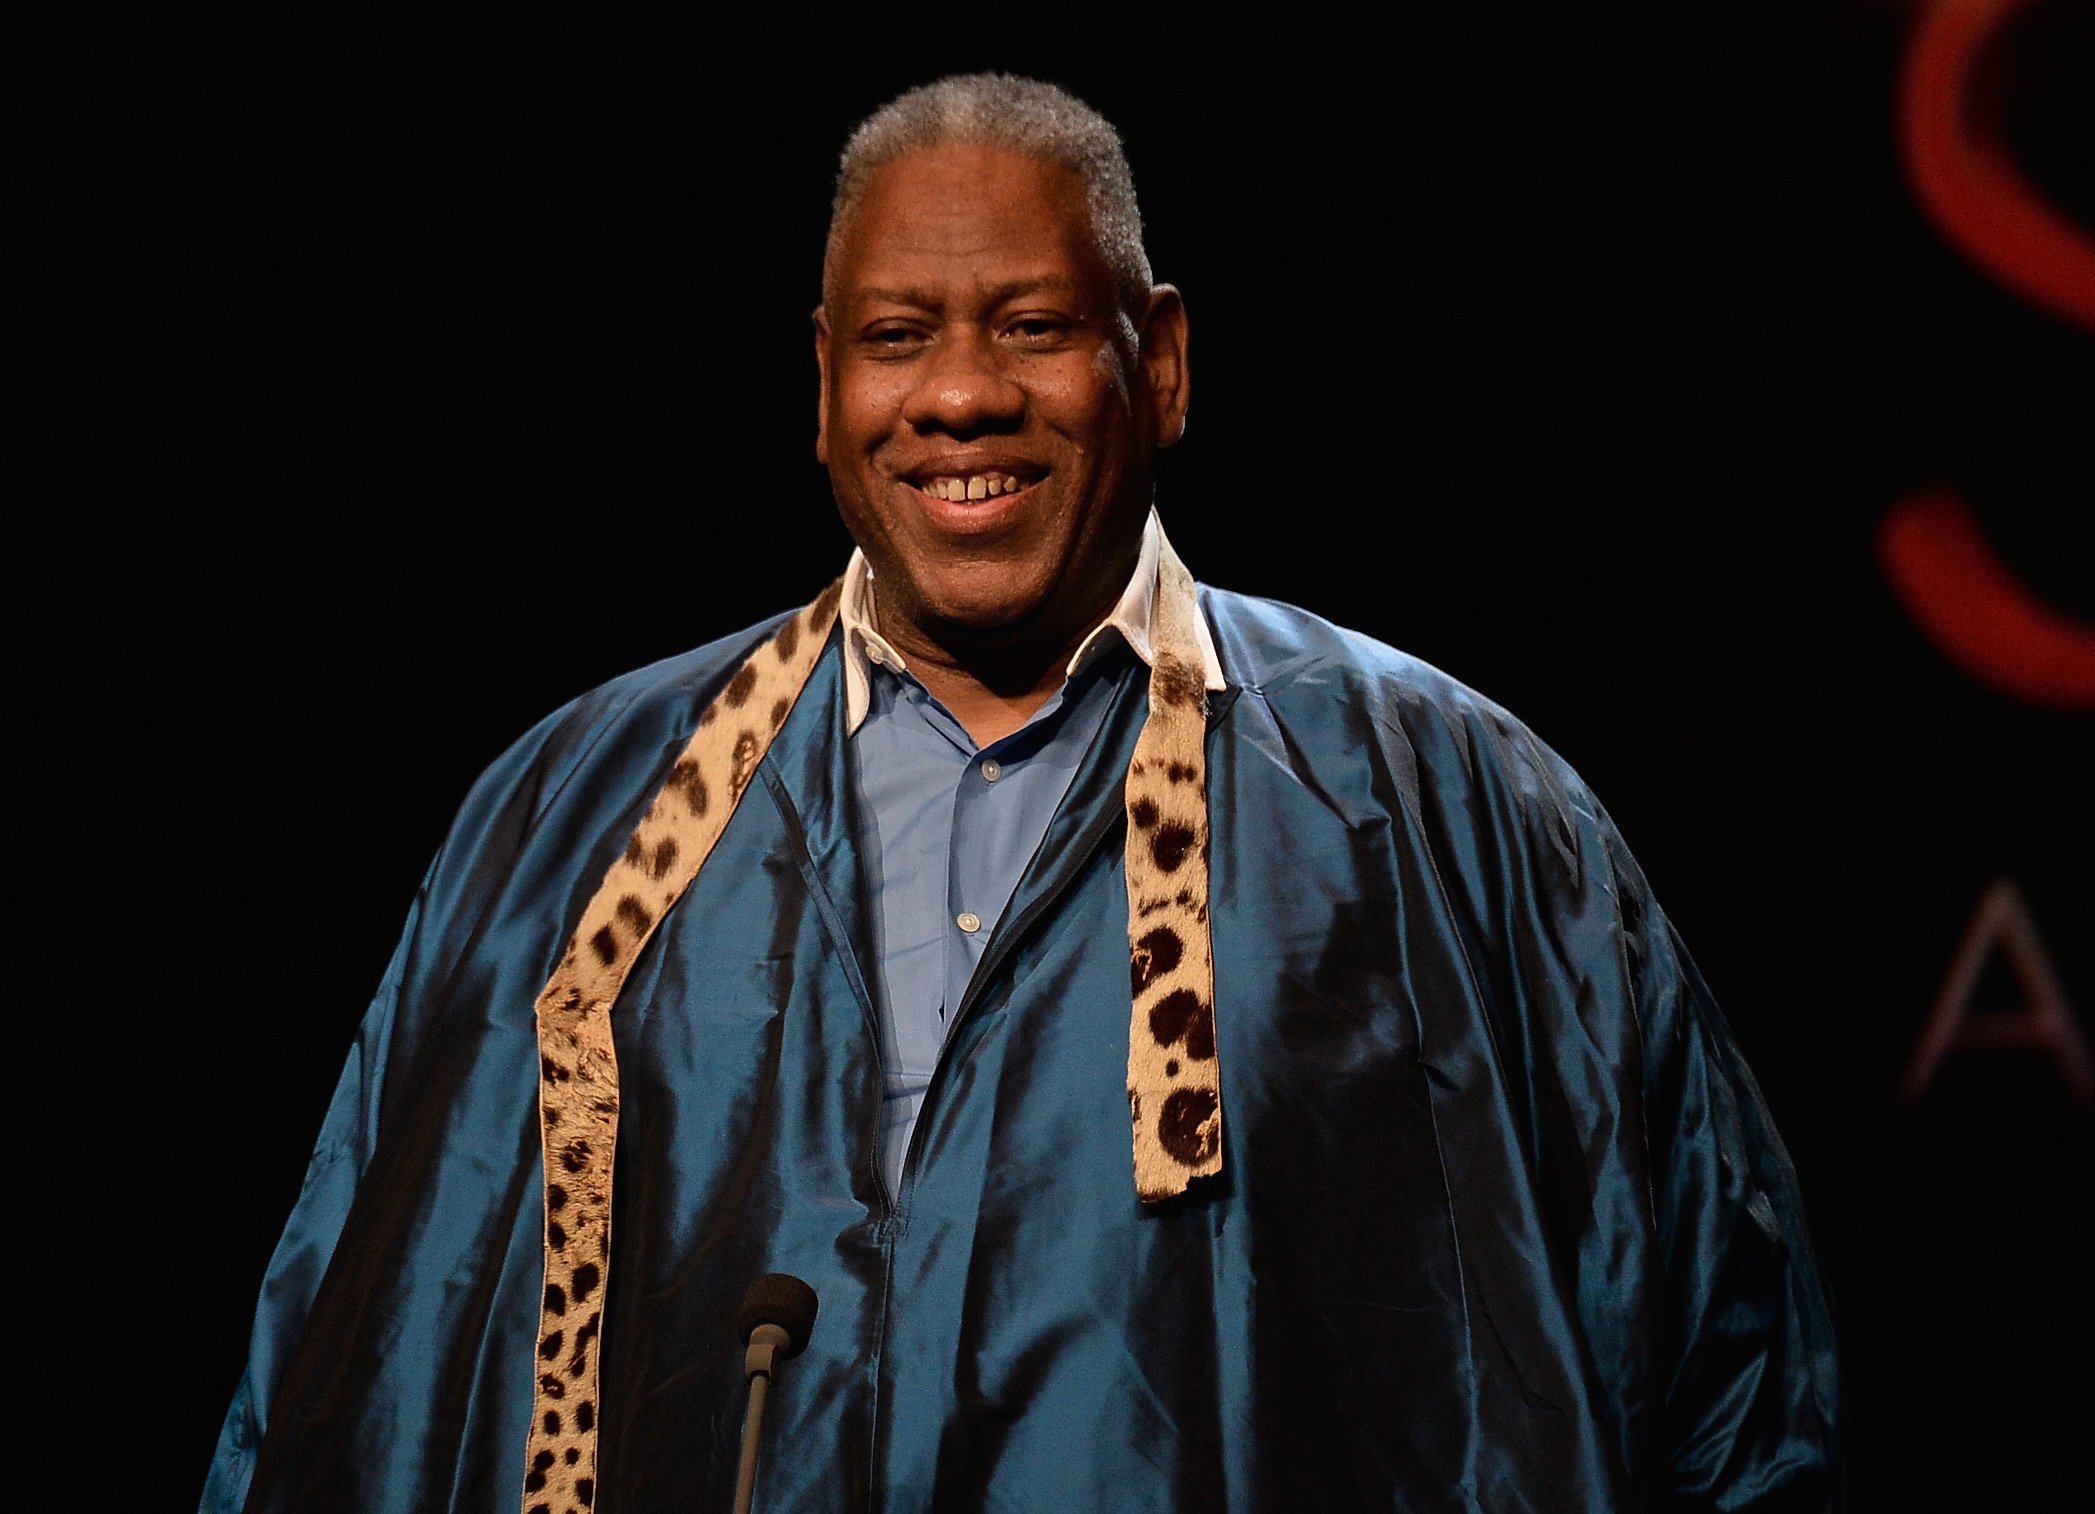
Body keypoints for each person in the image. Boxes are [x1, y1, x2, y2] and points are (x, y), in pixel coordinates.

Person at [204, 74, 1842, 1512]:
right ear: (826, 383)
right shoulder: (571, 819)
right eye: (899, 337)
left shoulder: (1441, 803)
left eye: (1036, 325)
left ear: (1166, 363)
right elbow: (339, 1362)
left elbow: (1723, 1376)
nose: (963, 395)